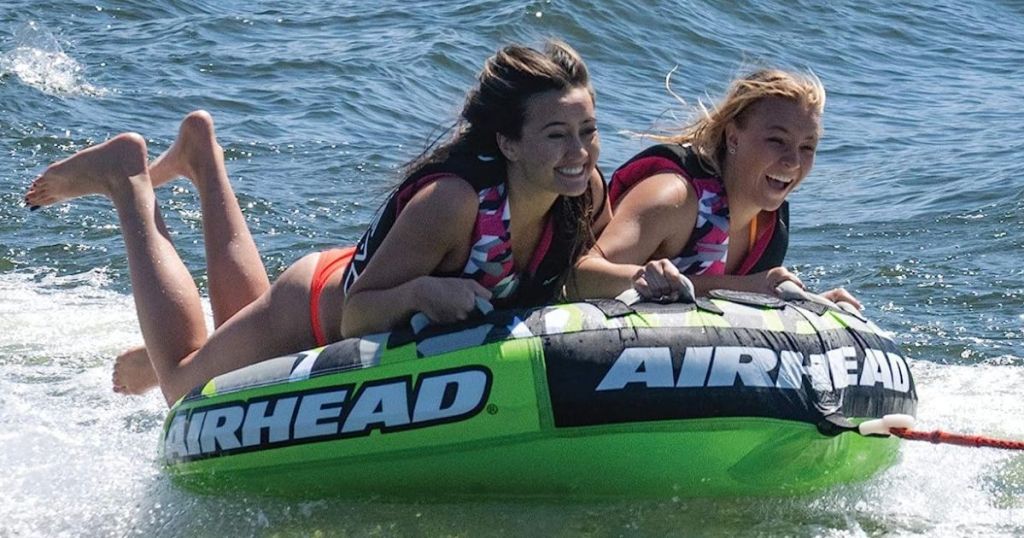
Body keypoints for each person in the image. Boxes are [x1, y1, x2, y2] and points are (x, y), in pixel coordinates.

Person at [24, 40, 610, 406]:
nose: (579, 152)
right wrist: (426, 291)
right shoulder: (454, 203)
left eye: (587, 132)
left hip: (336, 283)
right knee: (183, 387)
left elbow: (579, 272)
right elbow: (360, 311)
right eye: (556, 135)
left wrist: (647, 273)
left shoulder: (584, 194)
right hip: (312, 310)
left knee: (232, 325)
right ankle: (126, 178)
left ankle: (202, 158)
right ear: (507, 142)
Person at [571, 68, 860, 307]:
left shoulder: (769, 227)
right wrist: (641, 277)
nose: (793, 161)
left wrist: (806, 306)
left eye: (807, 147)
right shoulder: (675, 198)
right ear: (733, 138)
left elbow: (742, 299)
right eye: (776, 140)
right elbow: (576, 280)